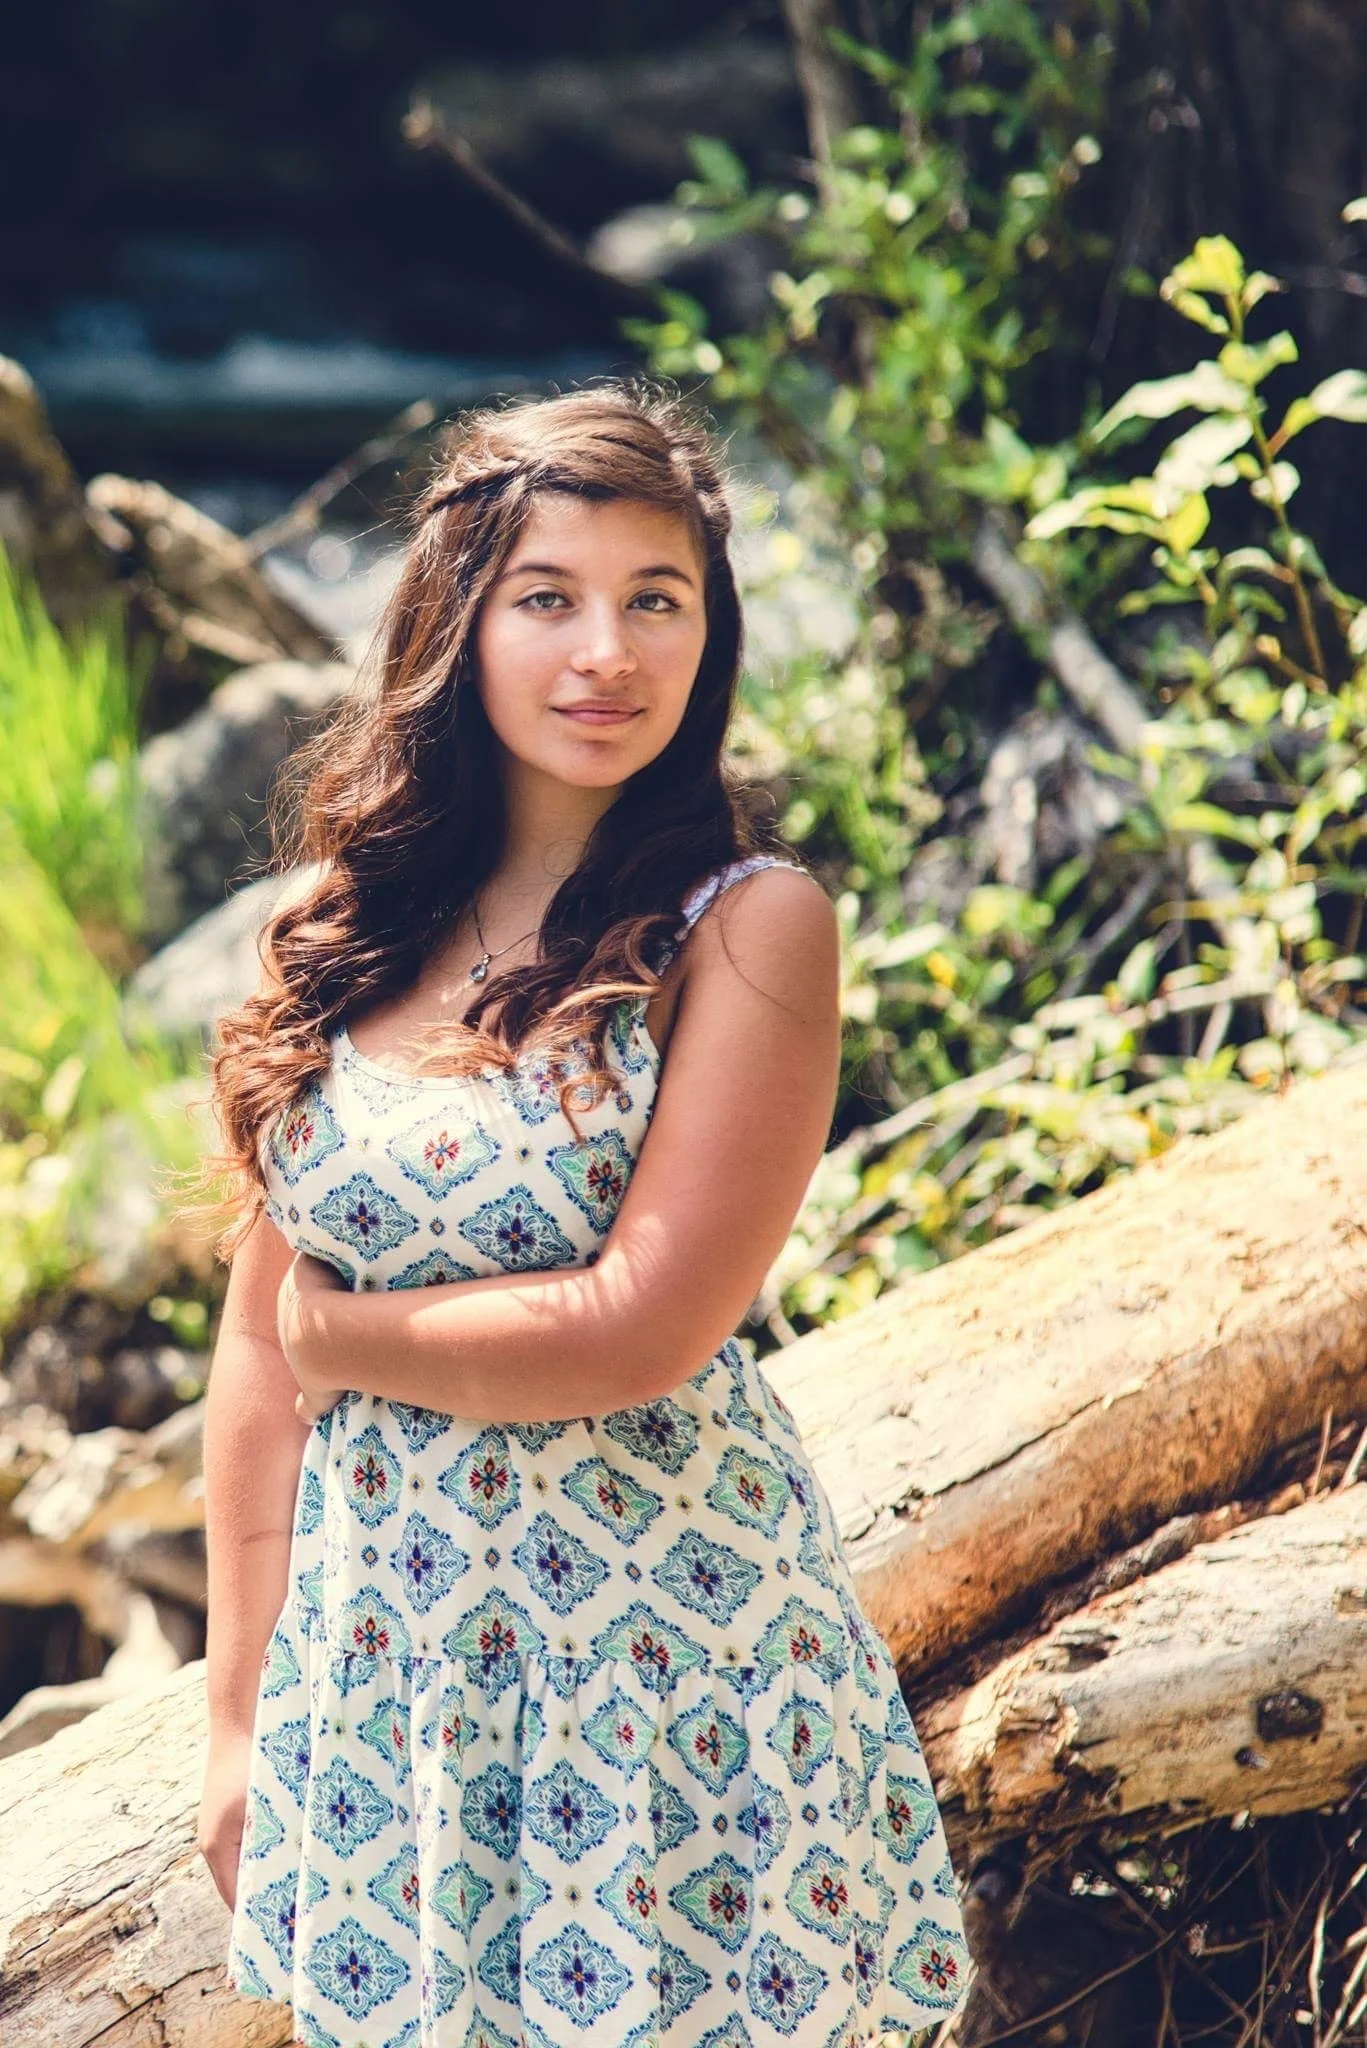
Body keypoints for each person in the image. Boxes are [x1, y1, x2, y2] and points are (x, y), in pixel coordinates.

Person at [194, 379, 972, 2048]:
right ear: (456, 624)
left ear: (711, 639)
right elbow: (250, 1372)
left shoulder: (744, 926)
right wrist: (240, 1714)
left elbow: (636, 1331)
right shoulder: (334, 929)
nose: (604, 653)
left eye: (655, 602)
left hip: (662, 1685)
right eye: (548, 599)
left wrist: (343, 1334)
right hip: (392, 1684)